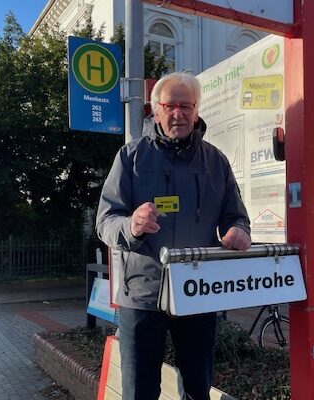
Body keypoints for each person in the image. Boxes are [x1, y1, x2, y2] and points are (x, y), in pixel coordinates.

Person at [96, 72, 251, 400]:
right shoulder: (130, 157)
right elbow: (106, 221)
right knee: (139, 391)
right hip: (141, 292)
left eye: (186, 106)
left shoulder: (216, 161)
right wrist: (132, 226)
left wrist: (239, 231)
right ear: (155, 109)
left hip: (198, 291)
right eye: (170, 106)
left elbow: (235, 214)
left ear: (196, 111)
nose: (178, 113)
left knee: (197, 388)